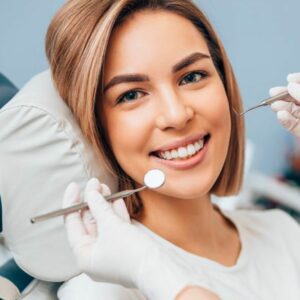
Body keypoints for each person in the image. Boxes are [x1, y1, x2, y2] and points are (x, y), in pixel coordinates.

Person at [44, 0, 300, 299]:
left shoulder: (281, 232)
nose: (177, 115)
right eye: (131, 95)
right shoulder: (101, 291)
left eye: (192, 76)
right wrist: (149, 270)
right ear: (94, 126)